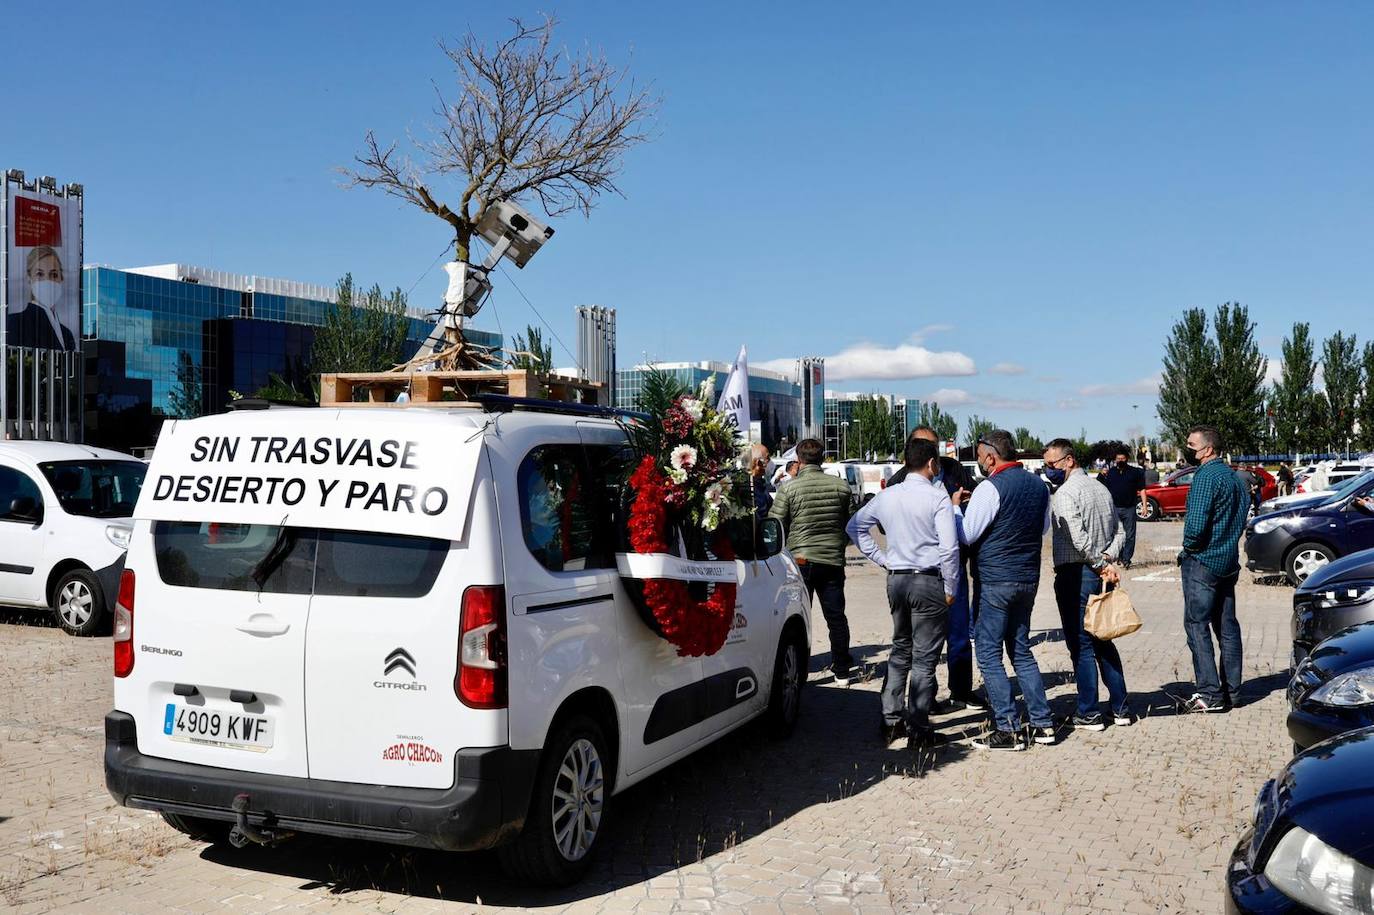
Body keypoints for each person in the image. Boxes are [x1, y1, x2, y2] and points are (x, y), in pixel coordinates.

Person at [847, 437, 960, 748]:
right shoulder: (937, 498)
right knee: (924, 658)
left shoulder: (888, 495)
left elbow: (854, 527)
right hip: (928, 578)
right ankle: (919, 728)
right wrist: (952, 586)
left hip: (897, 579)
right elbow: (949, 547)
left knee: (900, 650)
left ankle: (891, 720)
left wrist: (883, 559)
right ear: (932, 463)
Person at [953, 429, 1056, 751]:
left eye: (981, 457)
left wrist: (957, 509)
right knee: (1021, 650)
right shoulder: (1040, 486)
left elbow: (968, 534)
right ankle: (1043, 724)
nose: (980, 463)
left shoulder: (989, 487)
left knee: (987, 651)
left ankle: (1008, 728)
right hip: (1028, 578)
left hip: (996, 580)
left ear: (991, 456)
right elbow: (1042, 528)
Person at [891, 426, 987, 713]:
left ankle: (961, 691)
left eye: (935, 445)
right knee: (921, 641)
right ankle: (925, 699)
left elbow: (974, 499)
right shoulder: (899, 480)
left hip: (954, 565)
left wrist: (966, 505)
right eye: (925, 445)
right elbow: (882, 523)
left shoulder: (954, 469)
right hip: (920, 571)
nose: (932, 451)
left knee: (958, 634)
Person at [1043, 439, 1135, 731]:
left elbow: (1078, 537)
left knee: (1081, 646)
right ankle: (1120, 708)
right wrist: (1108, 558)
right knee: (1103, 639)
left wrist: (1098, 562)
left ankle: (1089, 713)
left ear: (1069, 461)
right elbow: (1120, 529)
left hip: (1077, 574)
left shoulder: (1065, 494)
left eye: (1051, 464)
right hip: (1098, 572)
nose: (1048, 470)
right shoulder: (1101, 488)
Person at [770, 438, 857, 683]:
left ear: (799, 460)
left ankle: (800, 672)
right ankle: (842, 671)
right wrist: (840, 545)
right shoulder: (841, 486)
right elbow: (852, 524)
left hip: (800, 561)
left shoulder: (788, 488)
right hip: (832, 561)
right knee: (836, 617)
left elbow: (775, 525)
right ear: (822, 458)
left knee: (797, 618)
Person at [1178, 425, 1251, 713]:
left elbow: (1195, 527)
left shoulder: (1206, 477)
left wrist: (1190, 549)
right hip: (1227, 561)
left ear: (1207, 449)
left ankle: (1209, 693)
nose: (1188, 449)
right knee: (1227, 627)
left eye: (1192, 445)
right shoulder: (1235, 478)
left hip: (1203, 562)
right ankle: (1232, 691)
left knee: (1197, 626)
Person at [6, 246, 77, 351]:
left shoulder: (67, 334)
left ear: (61, 278)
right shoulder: (15, 323)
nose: (47, 281)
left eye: (53, 274)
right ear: (29, 278)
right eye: (40, 274)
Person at [1098, 446, 1146, 567]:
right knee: (1114, 535)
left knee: (1130, 535)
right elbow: (1101, 488)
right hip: (1113, 509)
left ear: (1127, 459)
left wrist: (1144, 506)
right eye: (1118, 458)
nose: (1120, 460)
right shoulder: (1111, 472)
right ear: (1115, 459)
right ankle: (1117, 556)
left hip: (1129, 508)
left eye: (1123, 458)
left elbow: (1142, 490)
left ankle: (1126, 559)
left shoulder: (1135, 473)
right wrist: (1101, 475)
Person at [749, 443, 773, 519]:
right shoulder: (749, 487)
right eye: (767, 458)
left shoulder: (760, 484)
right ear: (758, 463)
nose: (770, 462)